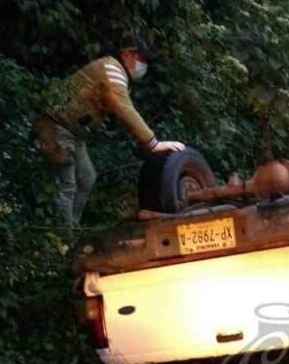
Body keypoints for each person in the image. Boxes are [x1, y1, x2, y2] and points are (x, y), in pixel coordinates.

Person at [32, 33, 185, 228]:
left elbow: (120, 112)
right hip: (55, 125)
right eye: (141, 58)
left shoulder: (114, 71)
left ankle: (71, 225)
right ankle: (62, 237)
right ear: (127, 54)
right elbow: (123, 108)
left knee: (87, 177)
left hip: (71, 131)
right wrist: (152, 143)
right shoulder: (111, 70)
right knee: (67, 183)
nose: (143, 64)